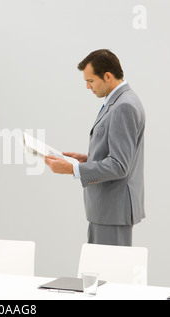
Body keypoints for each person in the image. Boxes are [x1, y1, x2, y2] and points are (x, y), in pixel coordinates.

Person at [45, 49, 145, 246]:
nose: (88, 87)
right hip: (107, 211)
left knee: (109, 272)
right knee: (101, 271)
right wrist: (87, 159)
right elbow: (117, 155)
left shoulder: (124, 106)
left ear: (107, 76)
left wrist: (73, 169)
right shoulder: (119, 102)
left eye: (90, 81)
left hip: (112, 211)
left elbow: (119, 165)